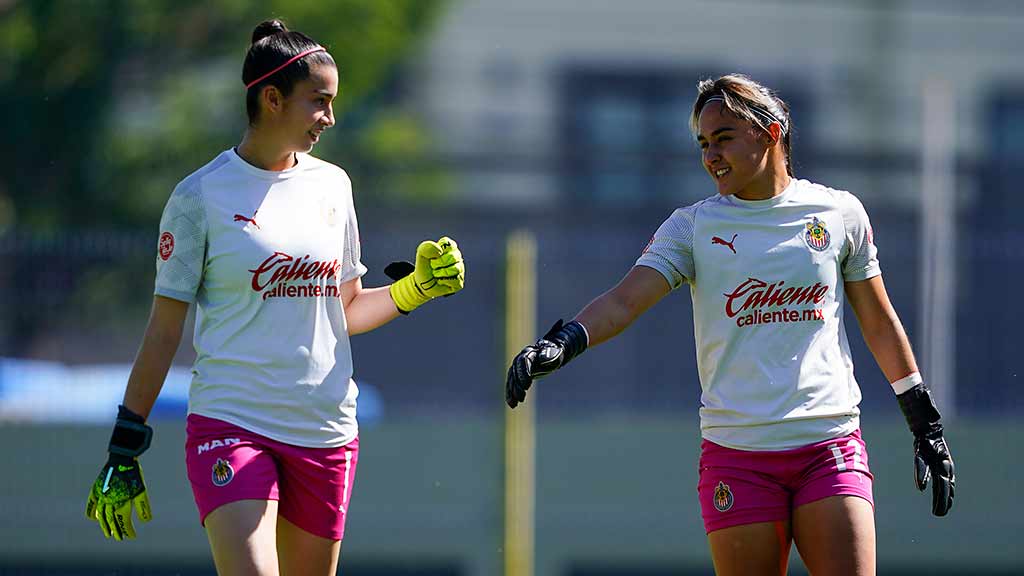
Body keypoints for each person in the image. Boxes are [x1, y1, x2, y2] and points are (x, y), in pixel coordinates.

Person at [505, 73, 954, 576]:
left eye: (723, 139)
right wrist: (562, 343)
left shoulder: (839, 212)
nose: (710, 155)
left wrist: (924, 422)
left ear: (770, 134)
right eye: (703, 143)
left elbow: (878, 320)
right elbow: (624, 302)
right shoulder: (693, 227)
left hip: (829, 446)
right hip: (738, 458)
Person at [84, 19, 465, 576]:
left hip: (324, 429)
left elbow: (347, 311)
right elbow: (164, 331)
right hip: (232, 424)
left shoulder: (334, 185)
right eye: (319, 102)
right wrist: (126, 440)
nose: (329, 118)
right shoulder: (199, 197)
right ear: (271, 98)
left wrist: (415, 289)